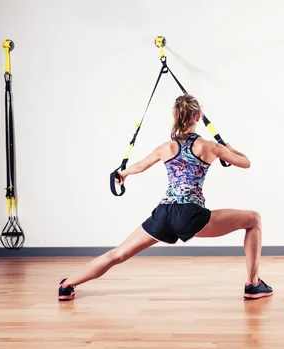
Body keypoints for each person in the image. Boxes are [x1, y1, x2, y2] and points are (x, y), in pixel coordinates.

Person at [58, 94, 272, 301]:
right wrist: (228, 147)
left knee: (117, 254)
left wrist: (123, 174)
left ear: (176, 116)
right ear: (197, 117)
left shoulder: (166, 147)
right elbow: (245, 163)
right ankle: (253, 284)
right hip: (191, 215)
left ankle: (67, 285)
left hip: (164, 213)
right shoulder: (210, 147)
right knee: (254, 219)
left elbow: (140, 166)